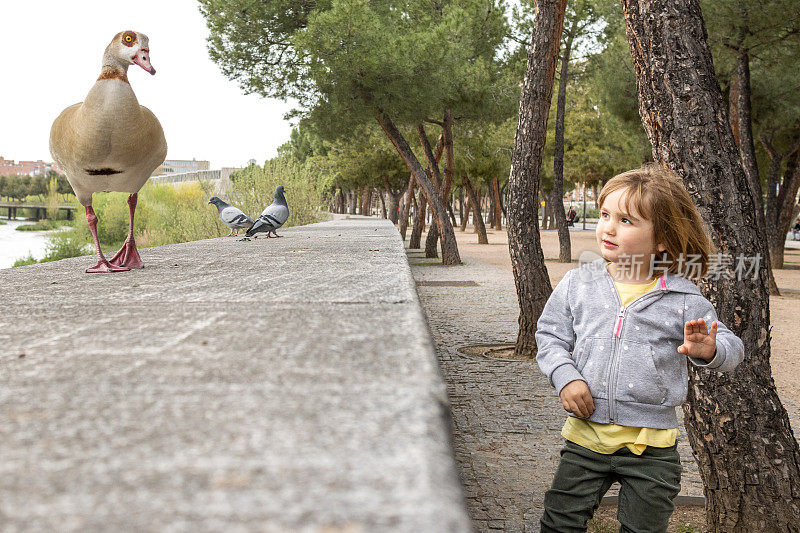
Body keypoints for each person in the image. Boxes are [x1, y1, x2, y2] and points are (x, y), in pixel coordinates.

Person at [535, 164, 744, 532]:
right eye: (604, 215)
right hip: (585, 439)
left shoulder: (682, 297)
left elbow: (732, 346)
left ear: (661, 237)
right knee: (559, 524)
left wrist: (710, 350)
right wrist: (566, 378)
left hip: (653, 451)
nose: (608, 227)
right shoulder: (577, 283)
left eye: (626, 220)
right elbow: (550, 336)